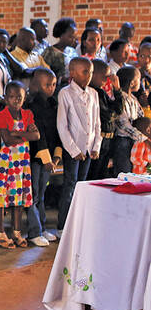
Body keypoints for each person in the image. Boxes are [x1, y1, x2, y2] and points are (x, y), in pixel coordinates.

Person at [0, 81, 39, 249]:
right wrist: (25, 134)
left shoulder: (28, 114)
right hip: (6, 161)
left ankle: (17, 232)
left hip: (22, 162)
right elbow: (7, 140)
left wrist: (16, 132)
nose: (16, 100)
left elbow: (36, 135)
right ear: (6, 98)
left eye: (19, 97)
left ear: (24, 98)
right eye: (11, 97)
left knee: (19, 197)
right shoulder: (2, 115)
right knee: (1, 196)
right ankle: (0, 233)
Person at [56, 57, 101, 235]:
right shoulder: (65, 93)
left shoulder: (93, 93)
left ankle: (78, 225)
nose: (88, 76)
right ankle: (63, 226)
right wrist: (73, 150)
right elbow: (62, 125)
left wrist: (96, 145)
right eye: (84, 72)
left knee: (82, 186)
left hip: (89, 149)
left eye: (91, 72)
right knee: (70, 185)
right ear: (72, 73)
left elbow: (97, 122)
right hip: (73, 149)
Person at [25, 68, 60, 246]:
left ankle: (42, 227)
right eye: (47, 85)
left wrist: (56, 156)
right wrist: (47, 159)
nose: (51, 88)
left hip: (49, 159)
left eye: (54, 84)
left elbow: (56, 132)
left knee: (42, 194)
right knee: (33, 195)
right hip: (34, 157)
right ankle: (34, 231)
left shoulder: (53, 104)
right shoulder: (31, 105)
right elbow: (38, 135)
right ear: (36, 85)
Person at [87, 59, 122, 180]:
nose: (106, 80)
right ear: (93, 74)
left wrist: (117, 90)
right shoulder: (91, 93)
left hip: (108, 139)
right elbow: (108, 115)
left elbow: (118, 110)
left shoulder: (101, 92)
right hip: (98, 140)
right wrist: (115, 113)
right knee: (93, 174)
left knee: (101, 175)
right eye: (104, 77)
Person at [114, 66, 148, 175]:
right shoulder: (120, 99)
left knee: (134, 172)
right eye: (138, 79)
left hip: (134, 140)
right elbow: (123, 124)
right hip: (122, 141)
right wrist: (144, 138)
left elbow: (140, 117)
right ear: (132, 83)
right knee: (124, 172)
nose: (140, 82)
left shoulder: (133, 99)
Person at [42, 17, 78, 83]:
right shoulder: (50, 52)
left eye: (74, 37)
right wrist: (61, 79)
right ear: (61, 34)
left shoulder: (73, 52)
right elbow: (44, 74)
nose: (73, 40)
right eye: (70, 36)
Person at [134, 42, 151, 113]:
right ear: (137, 57)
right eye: (142, 56)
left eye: (150, 56)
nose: (146, 60)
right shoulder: (133, 76)